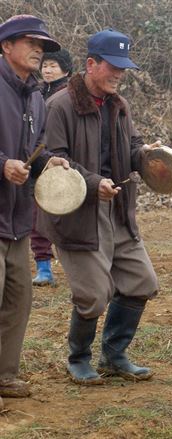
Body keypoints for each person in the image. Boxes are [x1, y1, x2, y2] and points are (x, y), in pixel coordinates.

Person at [37, 29, 160, 386]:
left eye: (124, 67)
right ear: (91, 64)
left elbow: (132, 146)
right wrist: (93, 183)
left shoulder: (120, 106)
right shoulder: (59, 105)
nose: (119, 74)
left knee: (141, 281)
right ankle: (78, 358)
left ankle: (114, 355)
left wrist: (146, 156)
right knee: (93, 295)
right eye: (113, 66)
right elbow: (53, 159)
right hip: (76, 214)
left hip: (118, 209)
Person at [0, 14, 69, 407]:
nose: (39, 50)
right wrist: (2, 165)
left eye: (43, 45)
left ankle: (5, 374)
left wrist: (49, 163)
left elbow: (36, 152)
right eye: (30, 42)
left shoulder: (37, 97)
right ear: (6, 46)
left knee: (17, 299)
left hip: (18, 219)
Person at [31, 48, 74, 287]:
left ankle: (75, 266)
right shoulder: (35, 91)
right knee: (37, 214)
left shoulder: (70, 95)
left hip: (62, 159)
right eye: (45, 65)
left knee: (65, 215)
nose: (47, 70)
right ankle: (44, 267)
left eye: (53, 66)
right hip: (39, 160)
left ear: (65, 69)